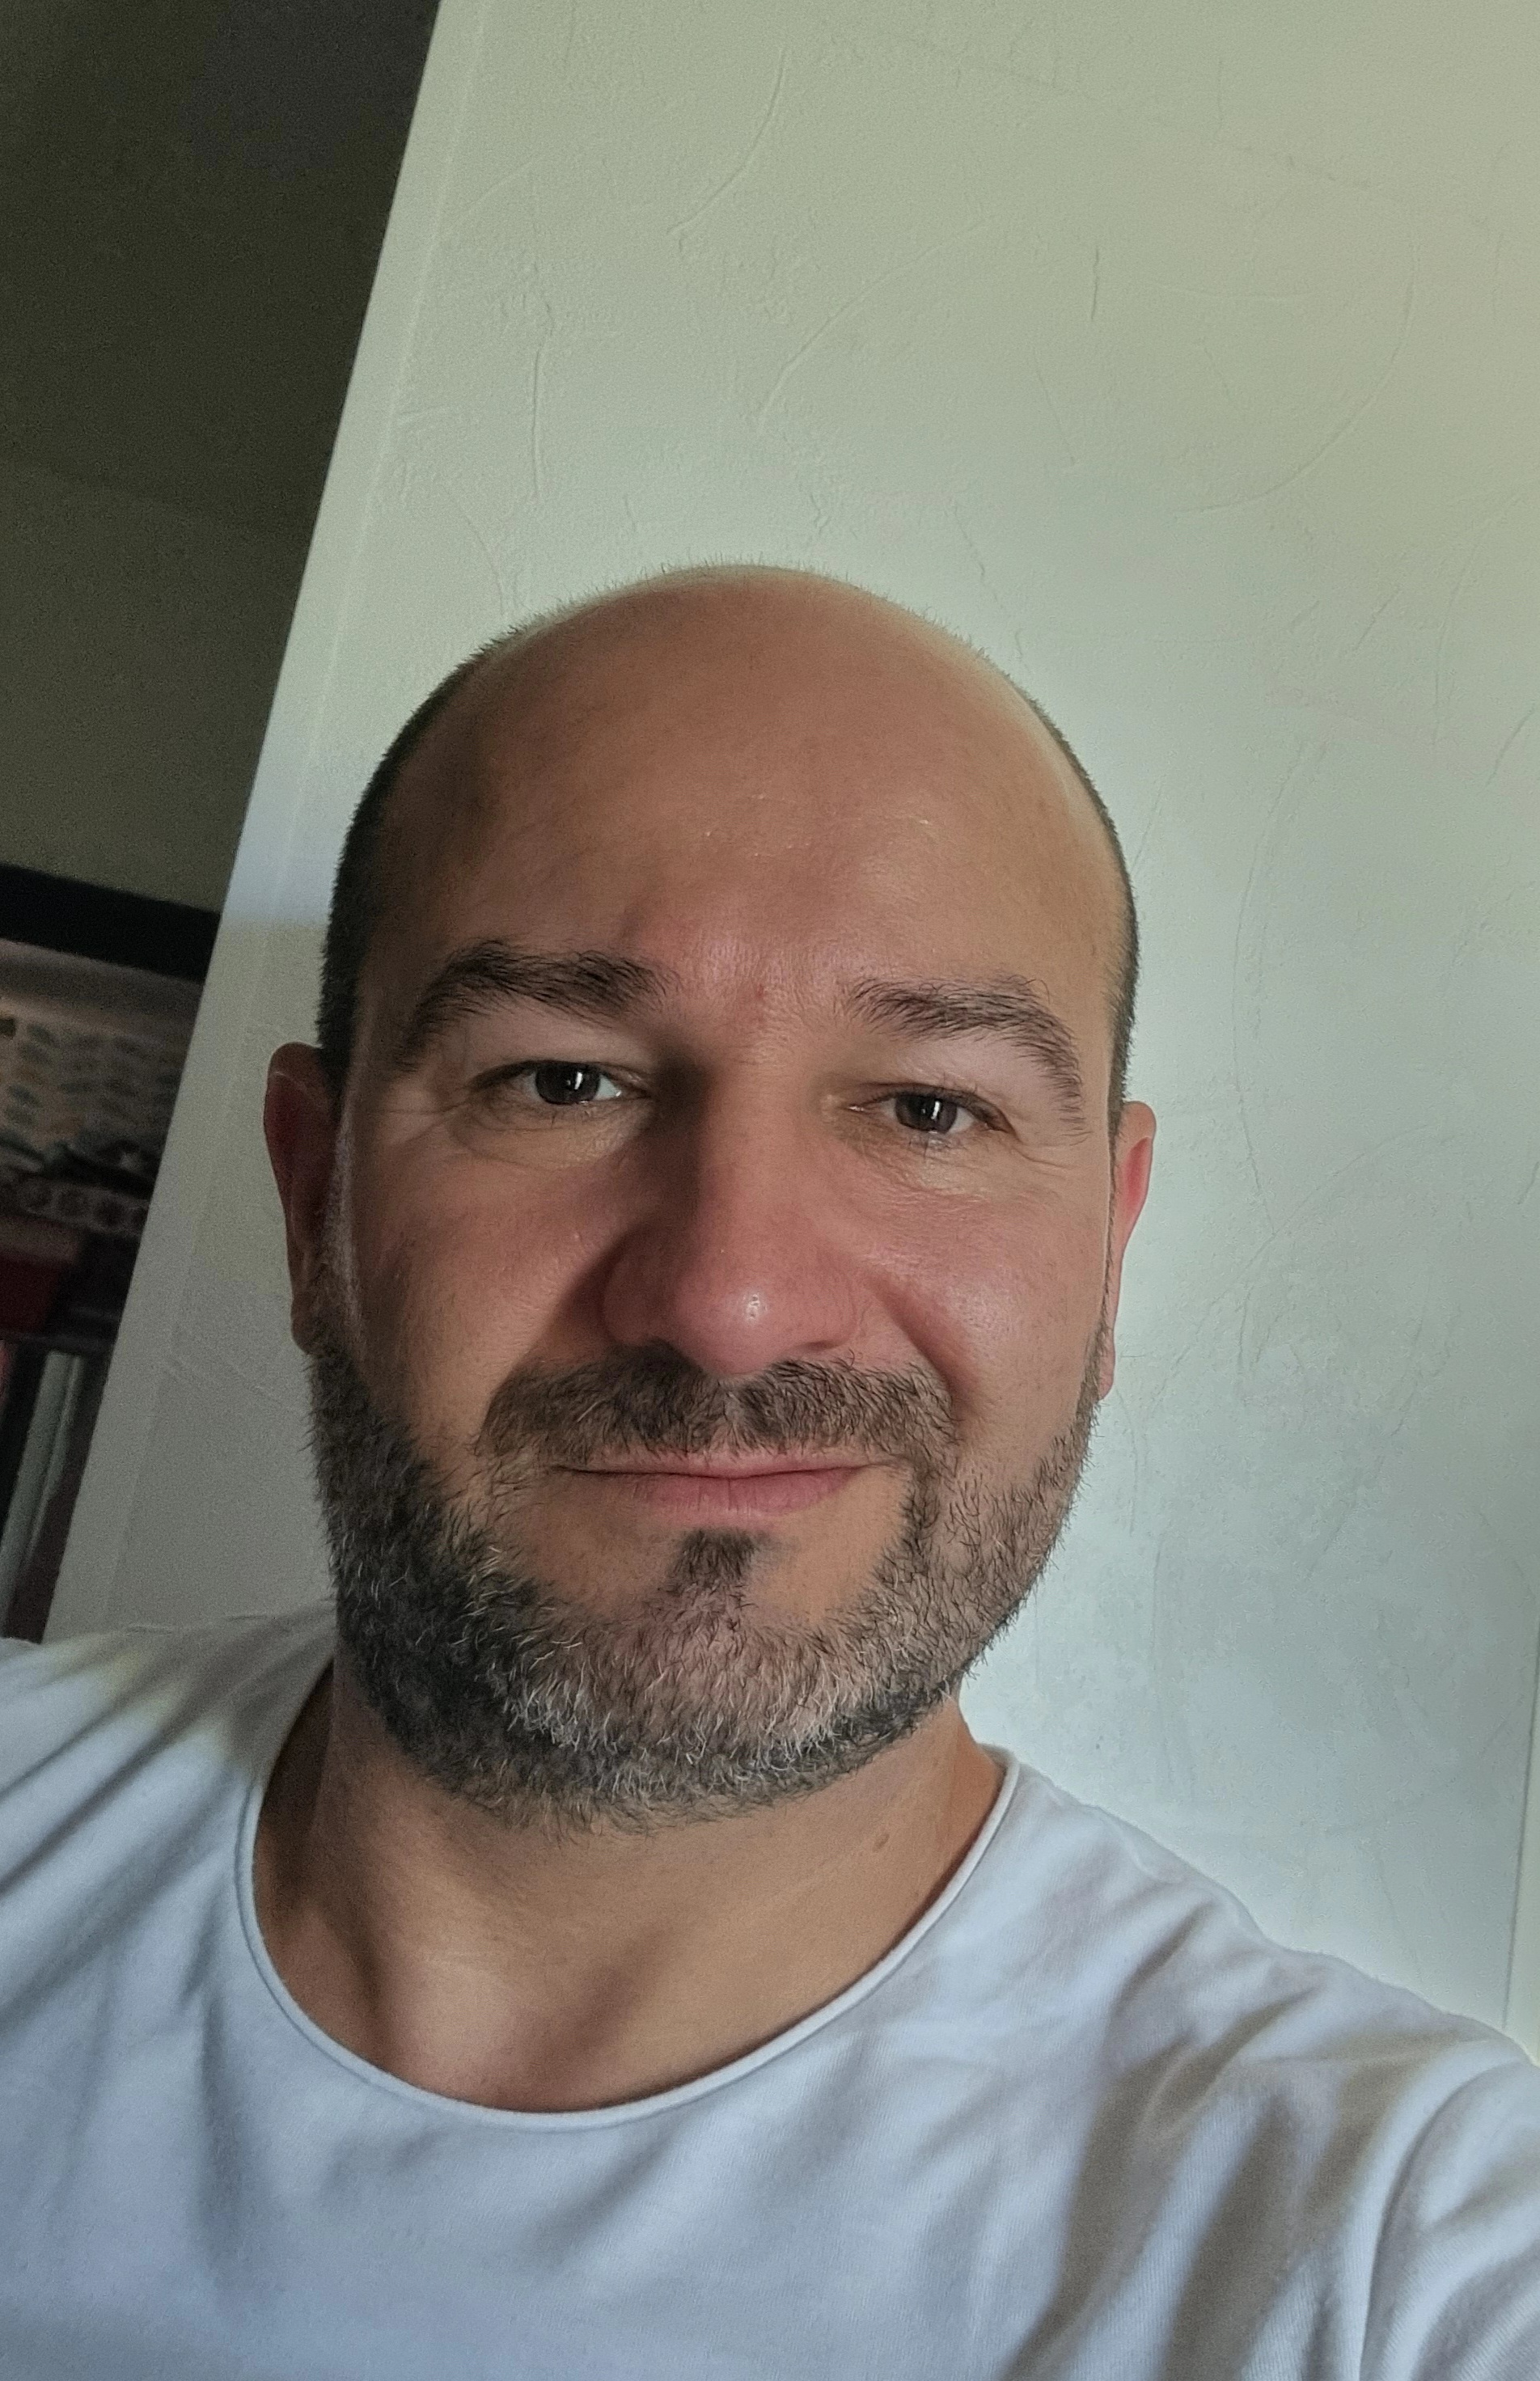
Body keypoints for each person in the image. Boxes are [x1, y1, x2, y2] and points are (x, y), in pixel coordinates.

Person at [0, 567, 1535, 2379]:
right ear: (309, 1199)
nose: (729, 1305)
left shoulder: (1391, 2258)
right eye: (561, 1081)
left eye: (929, 1108)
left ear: (1109, 1259)